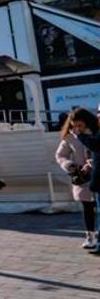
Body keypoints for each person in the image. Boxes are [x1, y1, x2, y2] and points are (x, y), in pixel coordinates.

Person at [56, 107, 97, 250]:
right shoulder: (70, 137)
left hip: (97, 173)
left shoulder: (96, 132)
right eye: (75, 126)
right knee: (87, 207)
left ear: (87, 122)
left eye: (80, 125)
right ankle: (90, 236)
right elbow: (60, 155)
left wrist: (91, 164)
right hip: (83, 177)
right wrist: (70, 166)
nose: (78, 128)